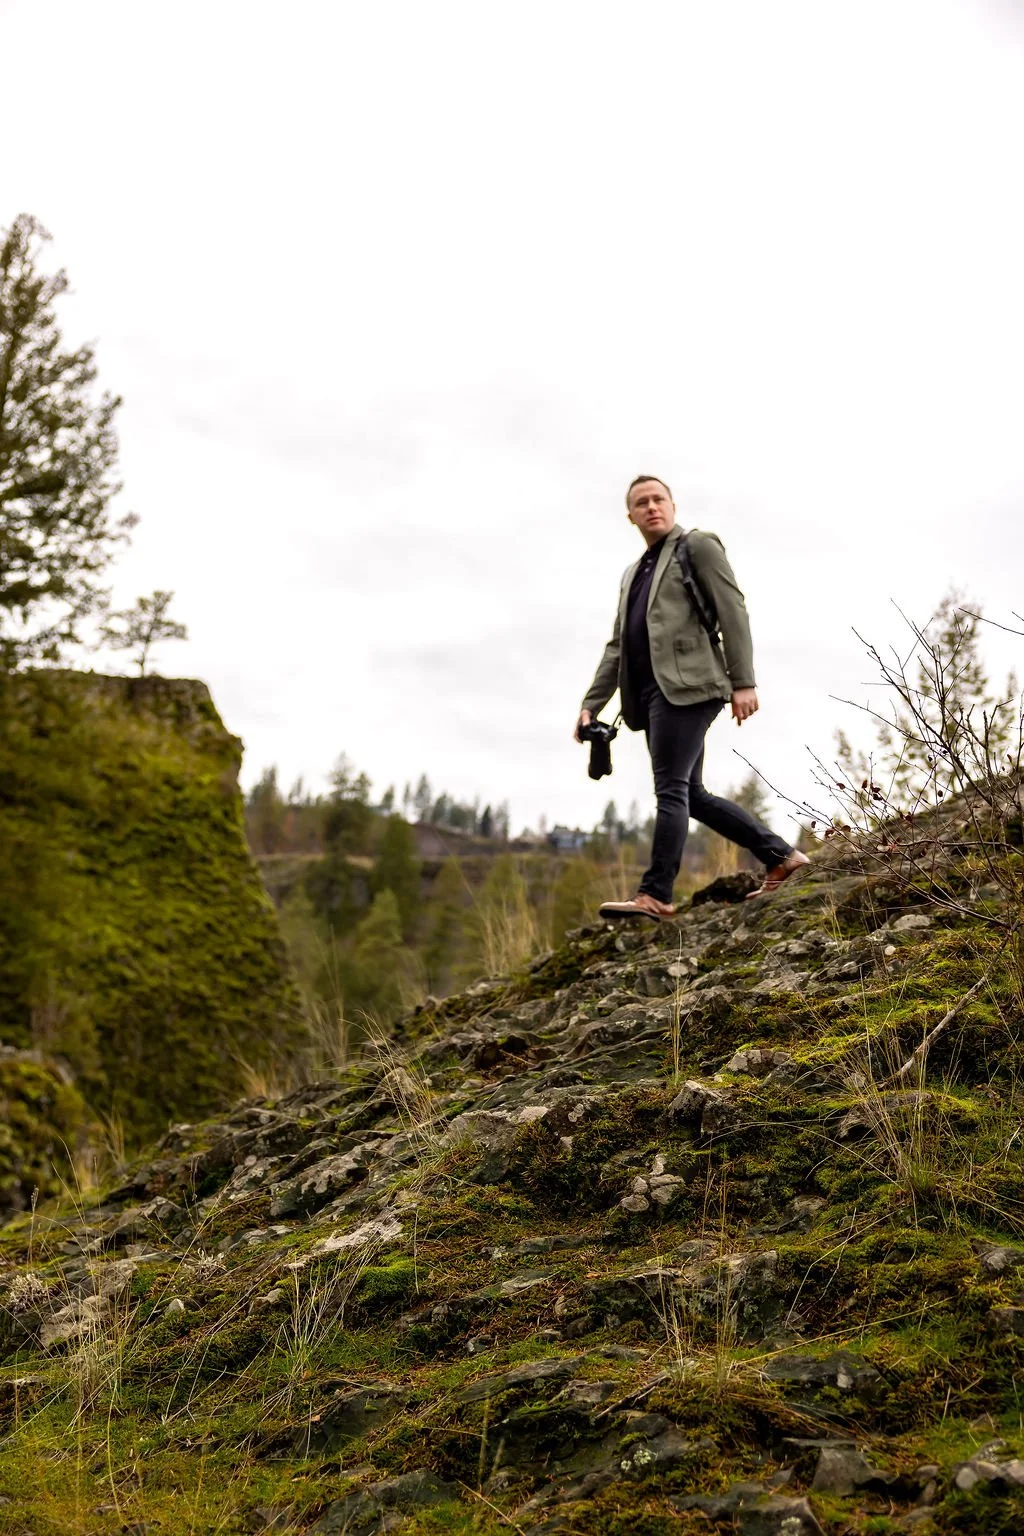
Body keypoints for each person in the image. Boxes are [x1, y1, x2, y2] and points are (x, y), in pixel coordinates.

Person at [575, 475, 808, 920]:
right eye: (641, 503)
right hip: (650, 695)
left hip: (691, 687)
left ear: (672, 504)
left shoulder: (696, 546)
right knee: (691, 794)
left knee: (670, 789)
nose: (651, 507)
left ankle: (656, 894)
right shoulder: (633, 574)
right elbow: (618, 646)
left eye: (658, 499)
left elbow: (732, 608)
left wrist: (744, 680)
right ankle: (782, 857)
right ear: (631, 516)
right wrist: (591, 704)